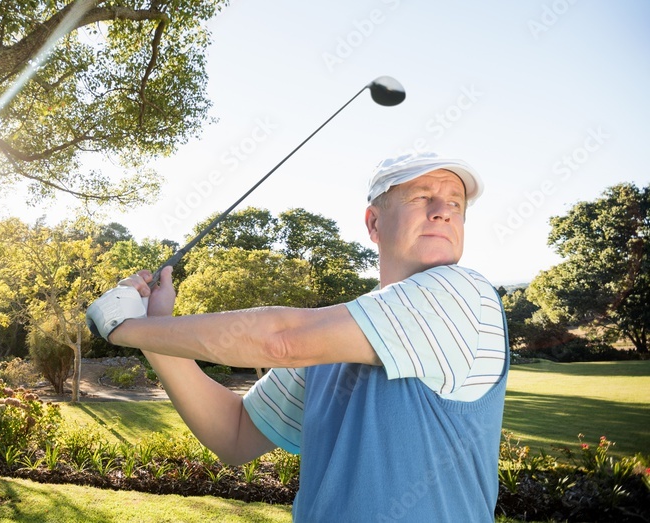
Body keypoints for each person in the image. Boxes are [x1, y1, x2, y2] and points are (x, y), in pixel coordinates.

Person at [86, 152, 509, 522]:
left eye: (455, 202)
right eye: (422, 197)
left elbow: (281, 342)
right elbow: (234, 435)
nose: (443, 211)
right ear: (374, 222)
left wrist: (126, 327)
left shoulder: (463, 294)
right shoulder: (339, 334)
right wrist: (155, 332)